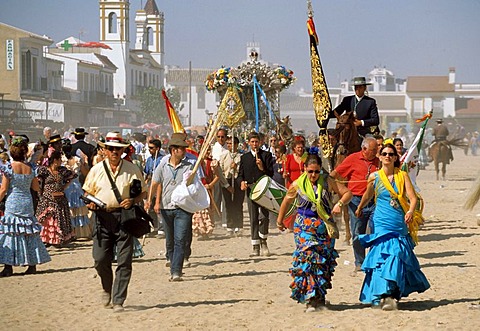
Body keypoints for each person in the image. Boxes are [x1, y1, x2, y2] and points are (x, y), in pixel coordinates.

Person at [355, 143, 430, 310]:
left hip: (398, 222)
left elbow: (413, 198)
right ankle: (384, 294)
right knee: (382, 257)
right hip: (381, 222)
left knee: (396, 254)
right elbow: (367, 195)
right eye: (384, 153)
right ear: (380, 157)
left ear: (395, 158)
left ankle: (392, 293)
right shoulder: (374, 177)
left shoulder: (402, 175)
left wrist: (410, 211)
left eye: (391, 154)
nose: (388, 156)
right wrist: (360, 207)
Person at [276, 152, 352, 312]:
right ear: (305, 169)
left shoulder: (328, 182)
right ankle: (310, 297)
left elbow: (347, 193)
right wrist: (280, 220)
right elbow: (286, 201)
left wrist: (339, 203)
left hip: (324, 227)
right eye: (310, 171)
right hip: (304, 227)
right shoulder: (298, 184)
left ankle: (319, 296)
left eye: (316, 171)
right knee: (308, 258)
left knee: (322, 262)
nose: (313, 175)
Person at [82, 132, 147, 312]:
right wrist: (91, 204)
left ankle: (118, 300)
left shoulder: (132, 169)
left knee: (124, 261)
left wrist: (133, 201)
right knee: (100, 259)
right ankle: (106, 288)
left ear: (122, 150)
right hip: (101, 217)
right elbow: (87, 193)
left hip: (124, 217)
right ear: (104, 150)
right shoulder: (96, 170)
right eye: (110, 148)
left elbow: (144, 192)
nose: (114, 152)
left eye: (117, 149)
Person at [0, 137, 51, 277]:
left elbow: (3, 189)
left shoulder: (9, 168)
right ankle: (32, 264)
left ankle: (8, 266)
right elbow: (35, 187)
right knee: (29, 232)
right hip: (27, 202)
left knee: (11, 232)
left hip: (13, 202)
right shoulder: (30, 168)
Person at [330, 137, 380, 275]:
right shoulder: (352, 159)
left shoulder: (379, 161)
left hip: (375, 200)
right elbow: (335, 174)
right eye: (373, 150)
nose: (376, 152)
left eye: (376, 149)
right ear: (364, 149)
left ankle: (373, 260)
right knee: (358, 232)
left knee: (376, 231)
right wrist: (334, 186)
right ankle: (360, 262)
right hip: (356, 201)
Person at [149, 135, 193, 281]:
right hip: (166, 207)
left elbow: (194, 185)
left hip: (183, 208)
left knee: (180, 239)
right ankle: (172, 260)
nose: (184, 151)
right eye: (182, 149)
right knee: (170, 239)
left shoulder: (189, 167)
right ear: (174, 150)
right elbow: (155, 183)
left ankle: (176, 271)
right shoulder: (162, 166)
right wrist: (150, 201)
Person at [238, 132, 274, 257]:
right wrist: (241, 182)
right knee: (253, 218)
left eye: (256, 142)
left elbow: (271, 173)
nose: (254, 144)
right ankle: (255, 245)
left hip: (264, 190)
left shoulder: (267, 156)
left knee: (264, 216)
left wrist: (262, 167)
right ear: (248, 143)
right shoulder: (245, 158)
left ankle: (264, 240)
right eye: (252, 142)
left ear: (260, 142)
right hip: (251, 189)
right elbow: (240, 174)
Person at [36, 150, 76, 247]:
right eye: (59, 159)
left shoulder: (61, 171)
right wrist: (41, 194)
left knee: (59, 218)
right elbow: (39, 184)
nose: (61, 161)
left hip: (59, 198)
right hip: (47, 198)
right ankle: (46, 239)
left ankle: (57, 239)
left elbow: (72, 176)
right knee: (49, 219)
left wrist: (64, 187)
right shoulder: (44, 171)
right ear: (55, 160)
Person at [220, 136, 244, 236]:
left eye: (232, 143)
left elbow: (242, 171)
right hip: (227, 180)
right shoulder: (224, 156)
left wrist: (236, 167)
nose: (230, 145)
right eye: (228, 143)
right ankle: (230, 226)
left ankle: (238, 225)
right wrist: (226, 184)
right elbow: (221, 171)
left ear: (237, 145)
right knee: (228, 204)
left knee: (238, 204)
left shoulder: (241, 157)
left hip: (237, 180)